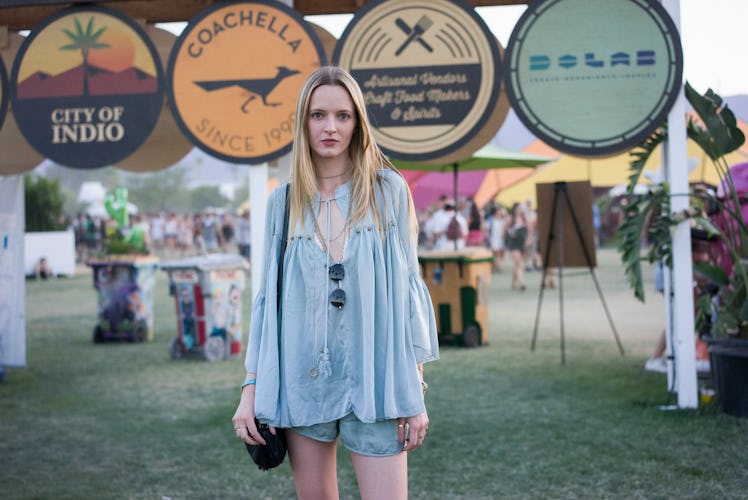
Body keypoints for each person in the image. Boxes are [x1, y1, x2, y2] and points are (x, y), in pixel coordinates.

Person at [232, 66, 439, 499]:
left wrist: (413, 388)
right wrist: (250, 389)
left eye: (343, 116)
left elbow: (406, 291)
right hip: (302, 379)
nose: (330, 127)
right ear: (303, 122)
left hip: (376, 376)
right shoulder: (282, 202)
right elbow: (268, 302)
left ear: (357, 123)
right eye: (318, 115)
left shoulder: (388, 192)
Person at [505, 202, 528, 290]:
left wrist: (528, 240)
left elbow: (529, 231)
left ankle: (513, 283)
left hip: (521, 243)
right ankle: (521, 282)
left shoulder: (524, 219)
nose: (520, 210)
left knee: (517, 264)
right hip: (513, 244)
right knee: (518, 263)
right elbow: (504, 231)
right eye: (518, 208)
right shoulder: (510, 219)